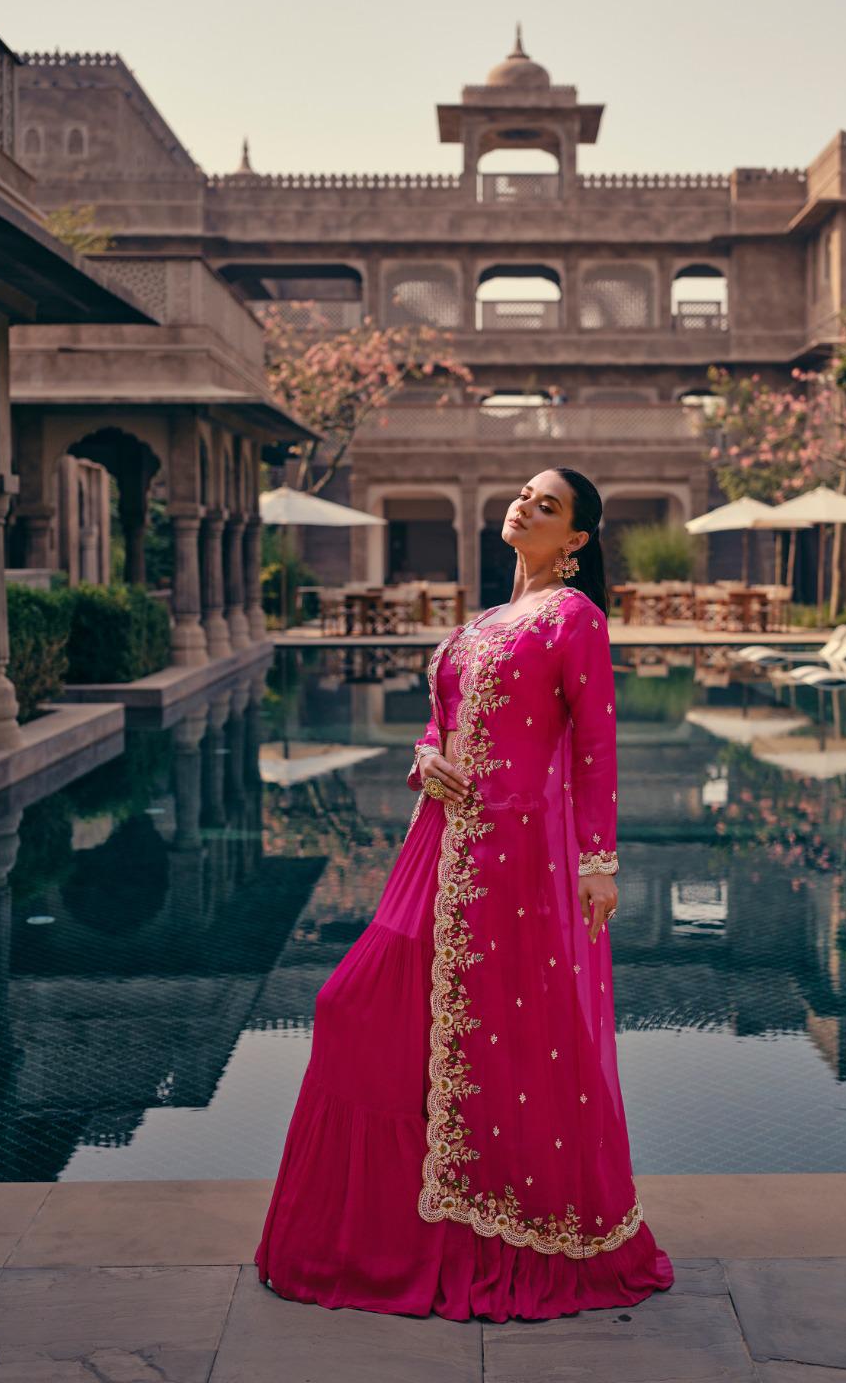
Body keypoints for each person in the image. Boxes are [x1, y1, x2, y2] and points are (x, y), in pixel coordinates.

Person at [255, 467, 674, 1320]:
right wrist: (424, 756)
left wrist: (597, 861)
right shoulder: (481, 623)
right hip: (439, 846)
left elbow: (594, 745)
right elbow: (439, 725)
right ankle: (384, 1234)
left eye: (547, 505)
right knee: (356, 1008)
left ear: (575, 540)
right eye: (524, 494)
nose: (525, 506)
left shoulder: (573, 617)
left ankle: (482, 1235)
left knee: (500, 1040)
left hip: (515, 860)